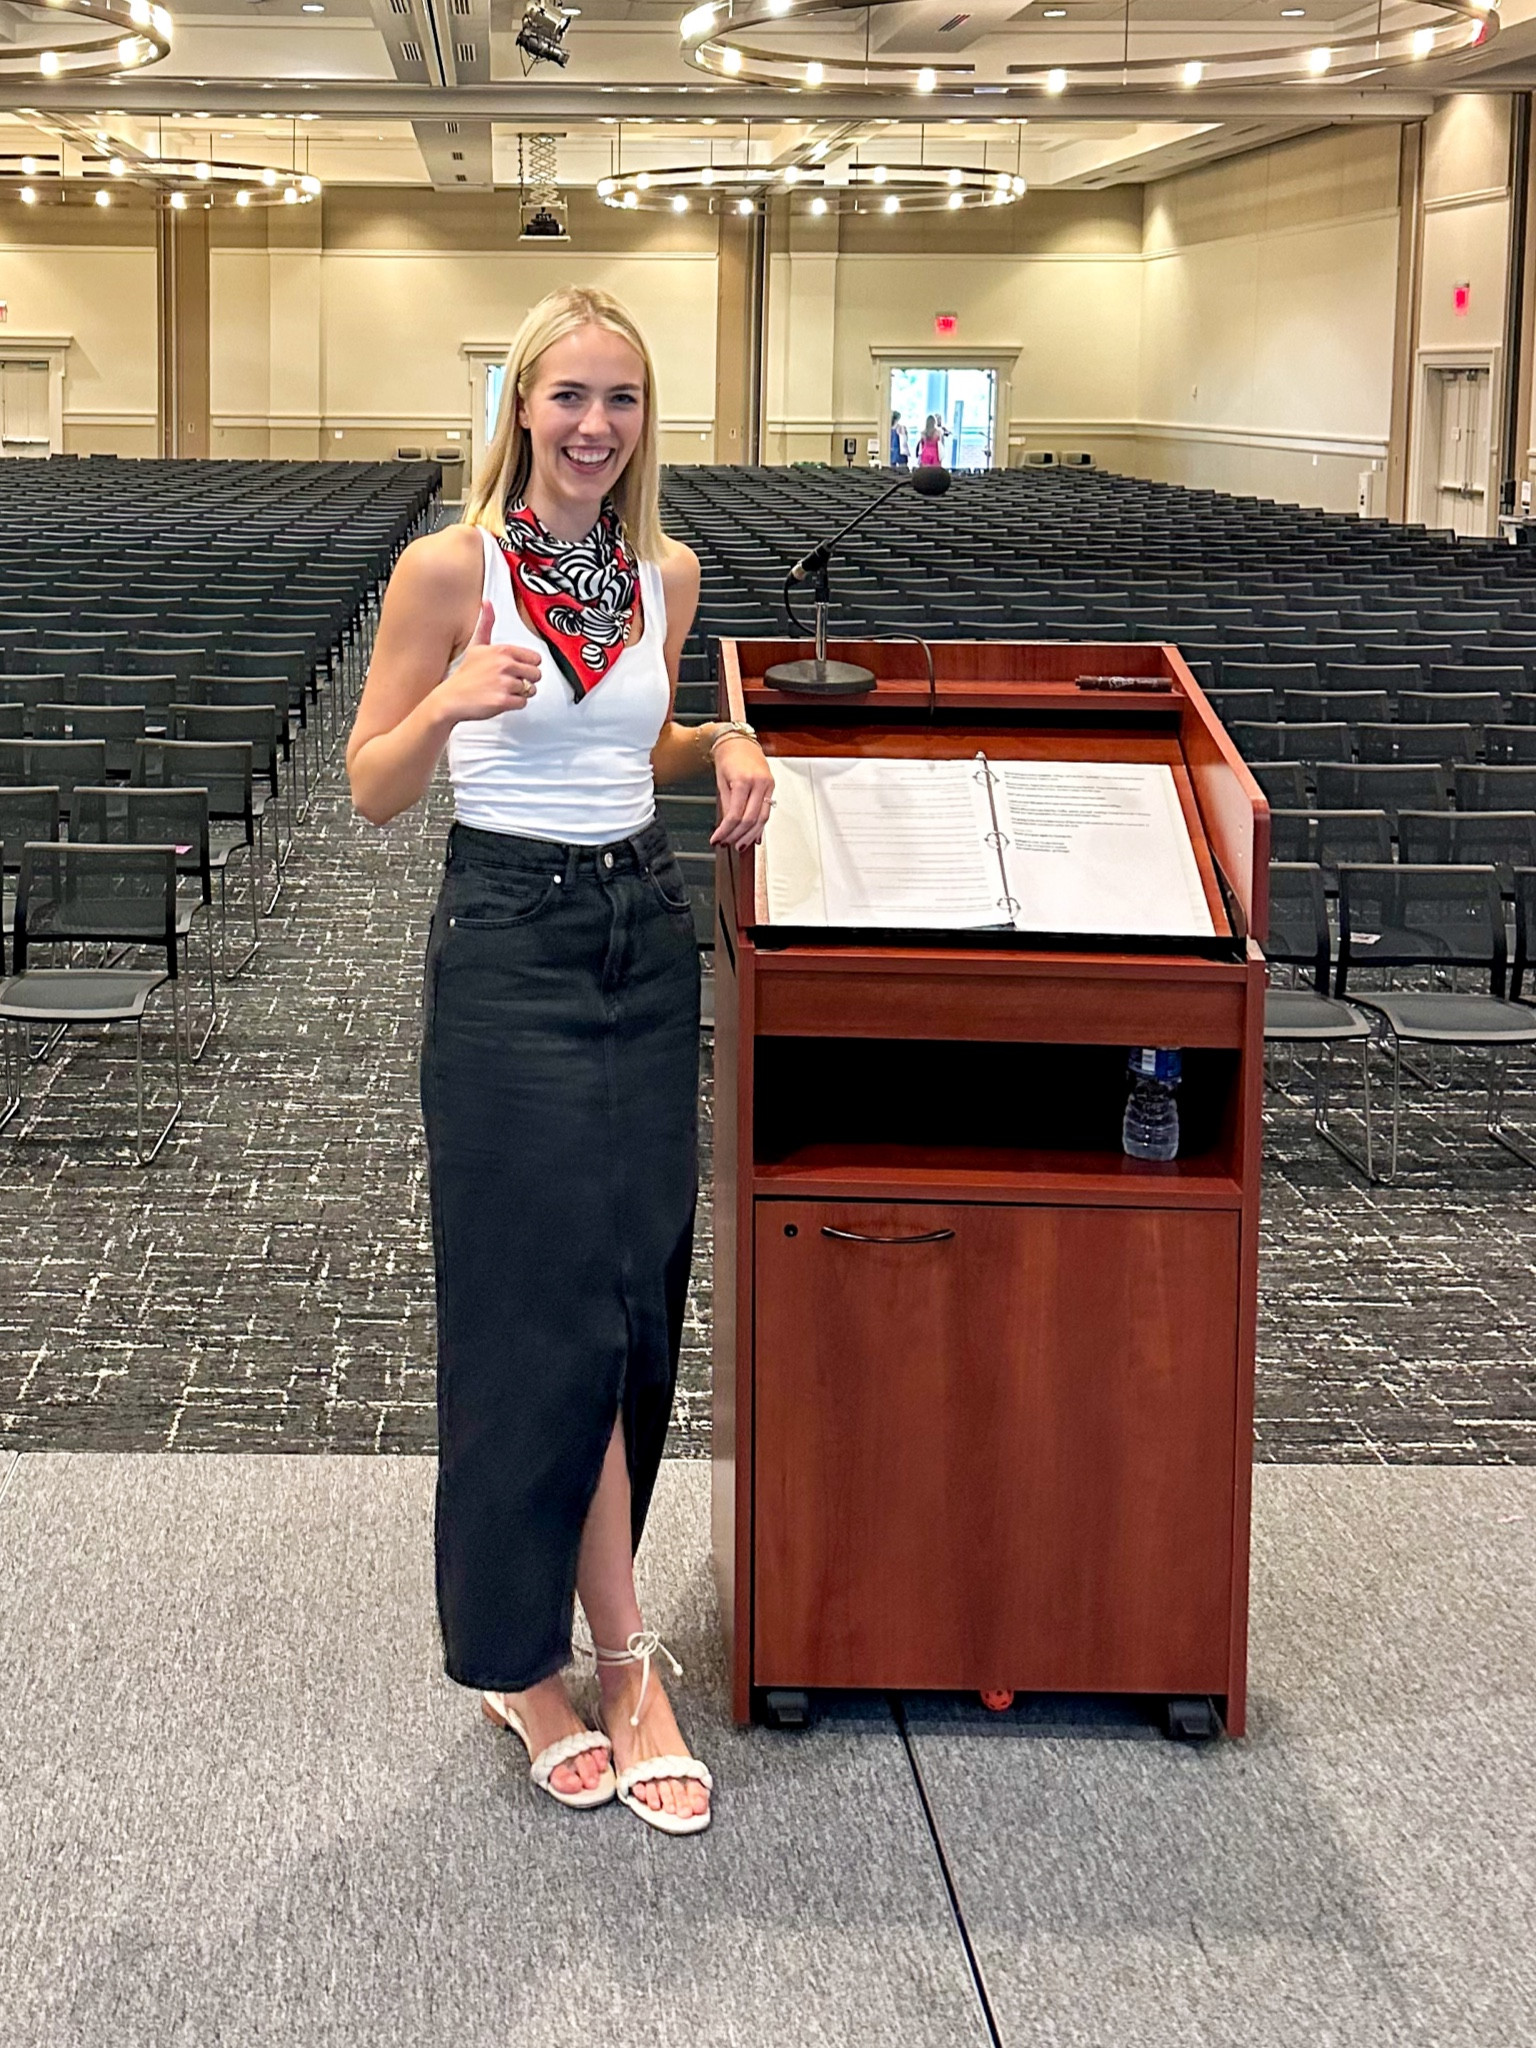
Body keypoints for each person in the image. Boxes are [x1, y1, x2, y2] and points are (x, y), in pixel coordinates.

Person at [346, 286, 774, 1837]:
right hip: (507, 945)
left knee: (630, 1303)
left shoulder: (666, 572)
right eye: (569, 397)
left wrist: (716, 743)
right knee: (533, 1316)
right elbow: (374, 789)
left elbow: (624, 735)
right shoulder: (449, 569)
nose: (596, 426)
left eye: (624, 400)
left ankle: (594, 1640)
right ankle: (571, 1658)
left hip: (643, 940)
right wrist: (452, 695)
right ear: (519, 407)